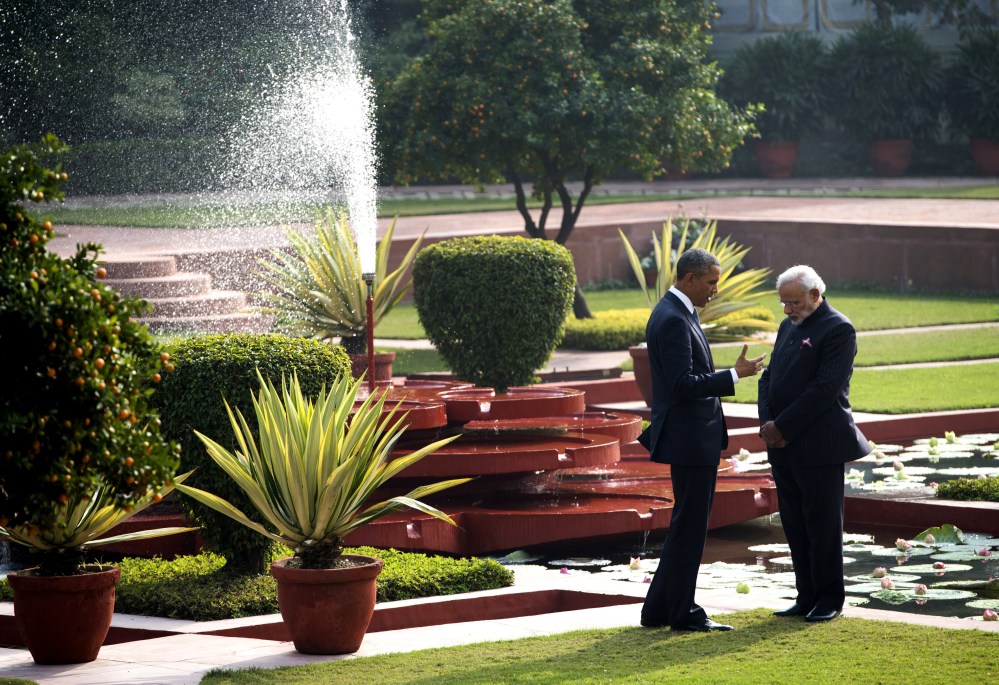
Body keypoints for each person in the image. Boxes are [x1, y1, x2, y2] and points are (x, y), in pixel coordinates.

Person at [639, 247, 766, 632]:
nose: (715, 289)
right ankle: (683, 613)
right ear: (689, 278)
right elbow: (682, 385)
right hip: (690, 439)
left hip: (691, 438)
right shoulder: (674, 318)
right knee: (690, 526)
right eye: (711, 282)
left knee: (686, 524)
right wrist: (734, 375)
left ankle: (659, 609)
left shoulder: (675, 311)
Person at [758, 265, 870, 623]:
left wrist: (783, 426)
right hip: (782, 445)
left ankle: (829, 599)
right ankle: (805, 595)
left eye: (793, 302)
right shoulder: (786, 327)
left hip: (820, 445)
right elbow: (768, 378)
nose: (788, 310)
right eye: (783, 304)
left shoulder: (838, 329)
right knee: (794, 524)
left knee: (823, 526)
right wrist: (767, 424)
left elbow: (825, 389)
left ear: (815, 295)